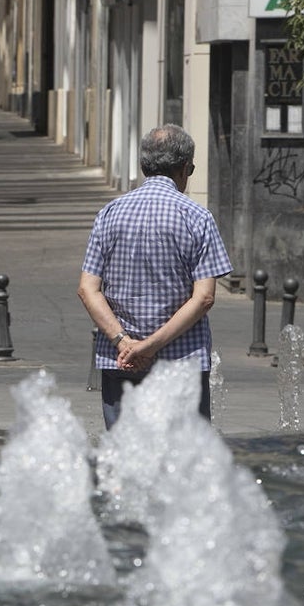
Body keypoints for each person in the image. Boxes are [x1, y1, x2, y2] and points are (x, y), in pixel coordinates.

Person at [77, 124, 233, 429]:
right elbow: (204, 298)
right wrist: (149, 347)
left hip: (120, 361)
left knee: (127, 457)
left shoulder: (110, 213)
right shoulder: (196, 217)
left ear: (143, 165)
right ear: (185, 168)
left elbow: (87, 289)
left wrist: (125, 343)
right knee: (182, 462)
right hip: (180, 361)